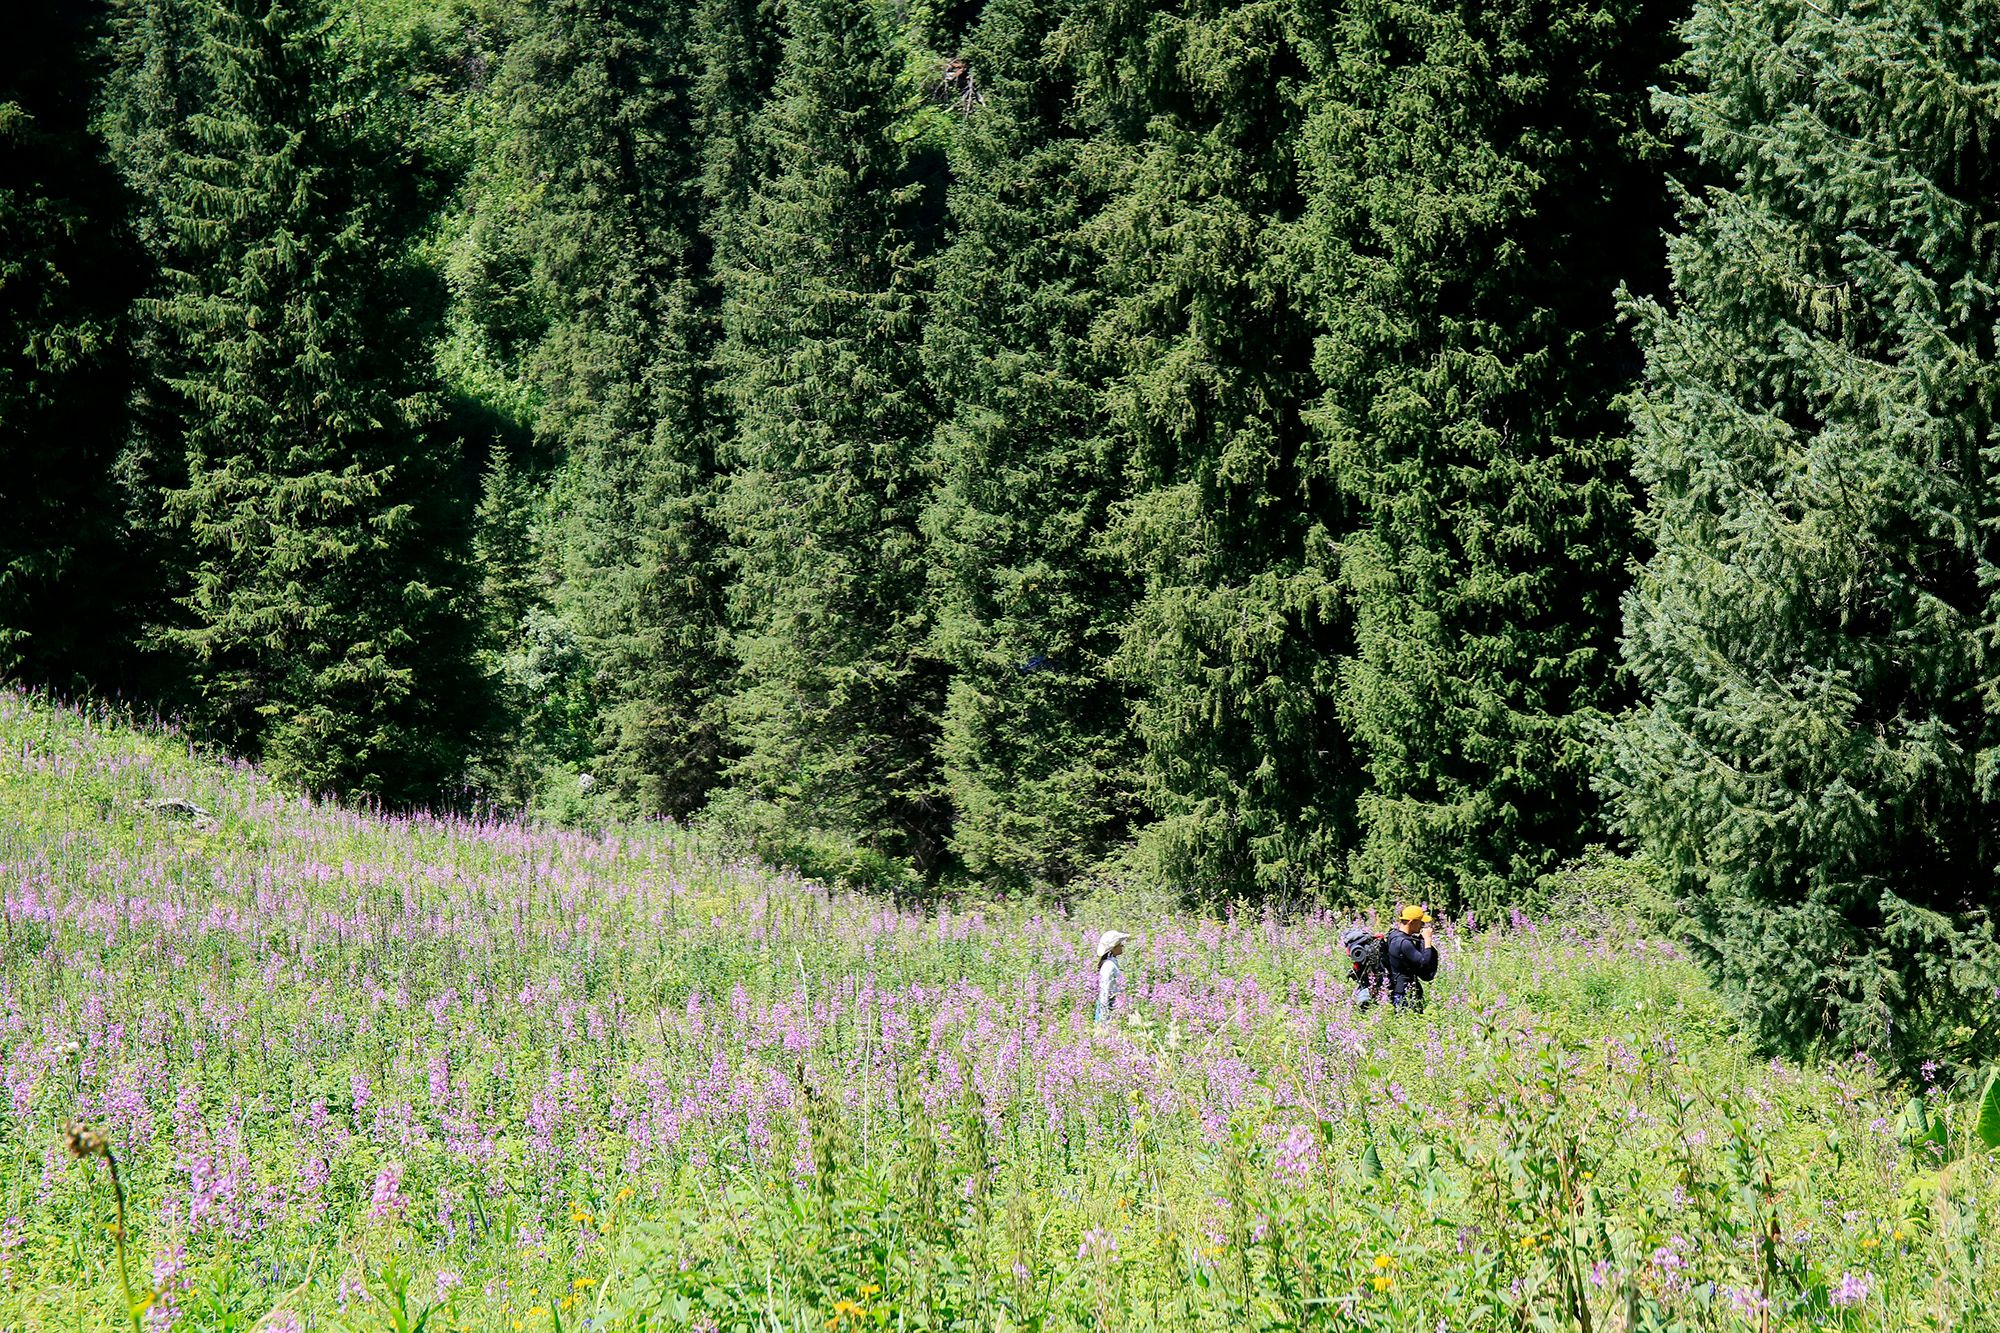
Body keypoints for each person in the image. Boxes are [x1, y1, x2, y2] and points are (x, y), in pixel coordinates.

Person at [1385, 905, 1438, 1010]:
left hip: (1399, 990)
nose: (1422, 925)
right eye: (1420, 922)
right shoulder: (1404, 943)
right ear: (1411, 922)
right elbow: (1424, 962)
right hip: (1406, 995)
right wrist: (1427, 940)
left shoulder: (1393, 935)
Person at [1339, 912, 1387, 1005]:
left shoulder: (1353, 946)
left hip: (1366, 970)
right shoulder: (1367, 942)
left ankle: (1365, 1000)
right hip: (1372, 969)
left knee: (1366, 983)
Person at [1094, 930, 1130, 1023]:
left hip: (1113, 1006)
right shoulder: (1108, 966)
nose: (1122, 946)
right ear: (1113, 948)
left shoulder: (1112, 963)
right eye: (1119, 944)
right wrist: (1103, 1017)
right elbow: (1104, 990)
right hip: (1108, 1007)